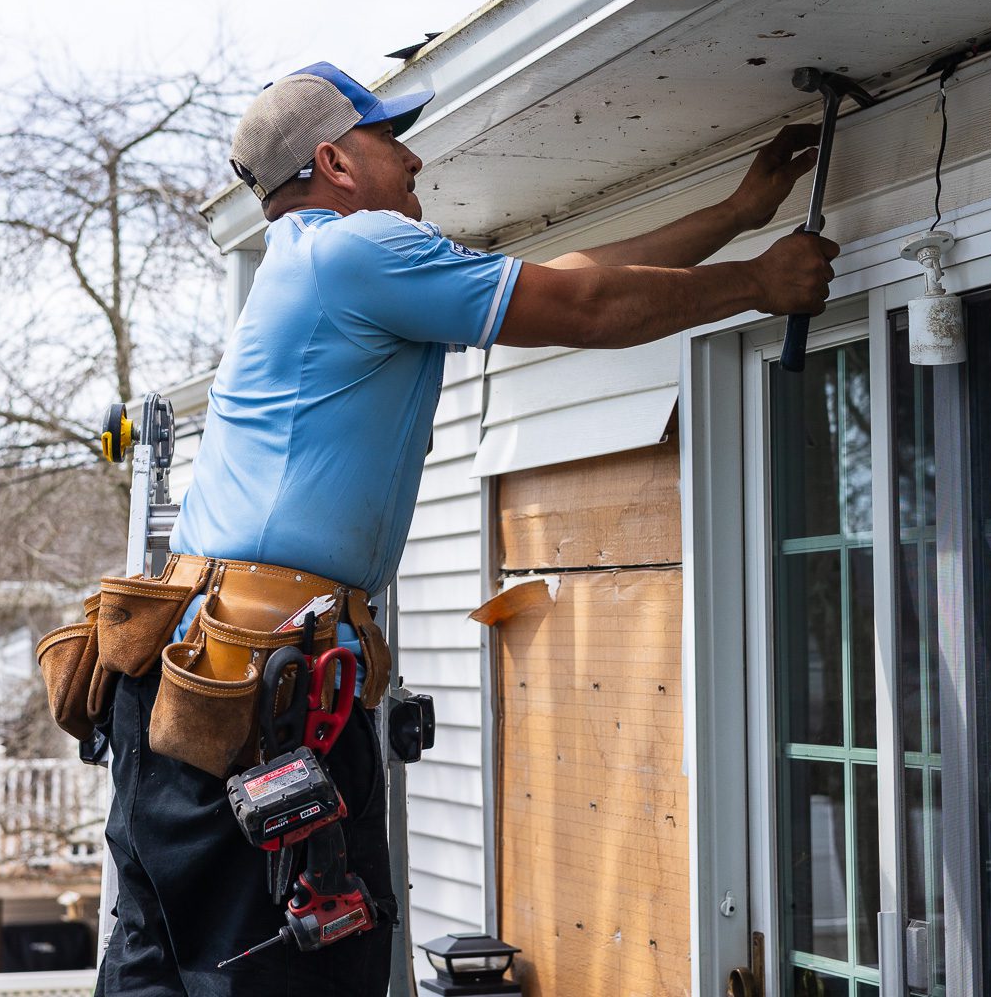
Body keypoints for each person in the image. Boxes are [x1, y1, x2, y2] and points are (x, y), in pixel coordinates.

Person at [95, 60, 837, 997]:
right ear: (334, 160)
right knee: (280, 972)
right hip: (262, 701)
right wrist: (758, 285)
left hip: (207, 690)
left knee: (169, 969)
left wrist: (737, 215)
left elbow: (568, 275)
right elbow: (587, 307)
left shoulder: (319, 267)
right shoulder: (358, 253)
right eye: (389, 138)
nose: (412, 158)